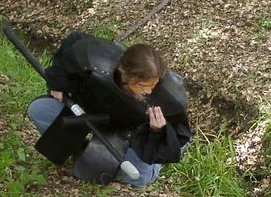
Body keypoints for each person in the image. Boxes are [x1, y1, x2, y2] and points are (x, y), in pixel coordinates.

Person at [27, 30, 192, 186]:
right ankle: (79, 148)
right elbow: (73, 44)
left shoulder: (166, 98)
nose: (148, 91)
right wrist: (59, 82)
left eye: (152, 85)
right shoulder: (99, 60)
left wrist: (158, 131)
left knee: (139, 178)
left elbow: (179, 134)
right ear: (124, 74)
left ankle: (155, 168)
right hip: (90, 112)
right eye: (141, 85)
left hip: (129, 133)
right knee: (39, 110)